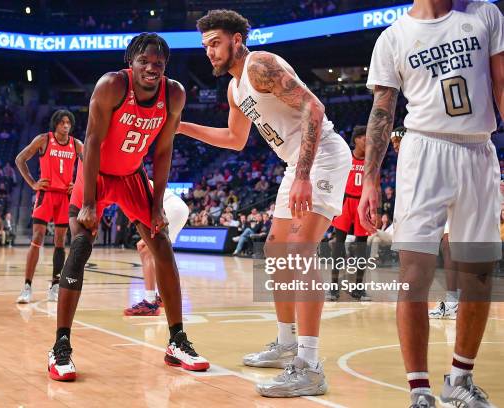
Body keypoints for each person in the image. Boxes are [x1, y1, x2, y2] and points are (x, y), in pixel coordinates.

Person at [178, 10, 351, 397]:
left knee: (299, 252)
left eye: (215, 43)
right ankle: (287, 342)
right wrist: (182, 126)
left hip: (322, 155)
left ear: (237, 40)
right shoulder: (235, 88)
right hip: (298, 162)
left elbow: (315, 109)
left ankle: (310, 365)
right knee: (276, 250)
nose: (209, 52)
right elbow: (234, 139)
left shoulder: (262, 65)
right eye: (205, 45)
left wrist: (304, 175)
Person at [359, 1, 503, 406]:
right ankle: (418, 389)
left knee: (477, 275)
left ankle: (460, 379)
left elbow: (501, 84)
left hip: (479, 148)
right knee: (414, 274)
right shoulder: (393, 36)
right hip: (423, 151)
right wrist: (370, 180)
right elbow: (382, 111)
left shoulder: (485, 13)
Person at [48, 33, 209, 382]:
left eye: (159, 64)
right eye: (145, 62)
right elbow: (91, 142)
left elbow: (164, 150)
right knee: (79, 247)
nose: (152, 68)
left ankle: (177, 340)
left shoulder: (174, 93)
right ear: (130, 63)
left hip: (133, 176)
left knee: (161, 244)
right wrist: (89, 201)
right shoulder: (111, 86)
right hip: (97, 175)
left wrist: (156, 205)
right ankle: (60, 346)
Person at [15, 110, 83, 304]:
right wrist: (32, 183)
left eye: (68, 122)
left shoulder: (76, 144)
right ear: (56, 124)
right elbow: (20, 159)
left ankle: (54, 285)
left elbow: (92, 165)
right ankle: (27, 286)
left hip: (65, 197)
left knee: (60, 241)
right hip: (46, 194)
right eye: (62, 122)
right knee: (37, 237)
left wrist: (78, 184)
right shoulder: (44, 139)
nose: (66, 125)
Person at [124, 187, 190, 316]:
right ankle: (163, 296)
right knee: (150, 250)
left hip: (170, 209)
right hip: (176, 208)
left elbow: (141, 214)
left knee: (145, 251)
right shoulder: (132, 178)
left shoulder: (127, 185)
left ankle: (149, 303)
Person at [328, 125, 372, 301]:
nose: (367, 140)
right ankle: (333, 287)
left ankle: (359, 288)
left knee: (362, 248)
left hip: (363, 203)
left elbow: (375, 186)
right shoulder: (345, 157)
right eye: (363, 137)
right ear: (355, 139)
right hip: (345, 201)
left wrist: (374, 210)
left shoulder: (372, 161)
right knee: (338, 246)